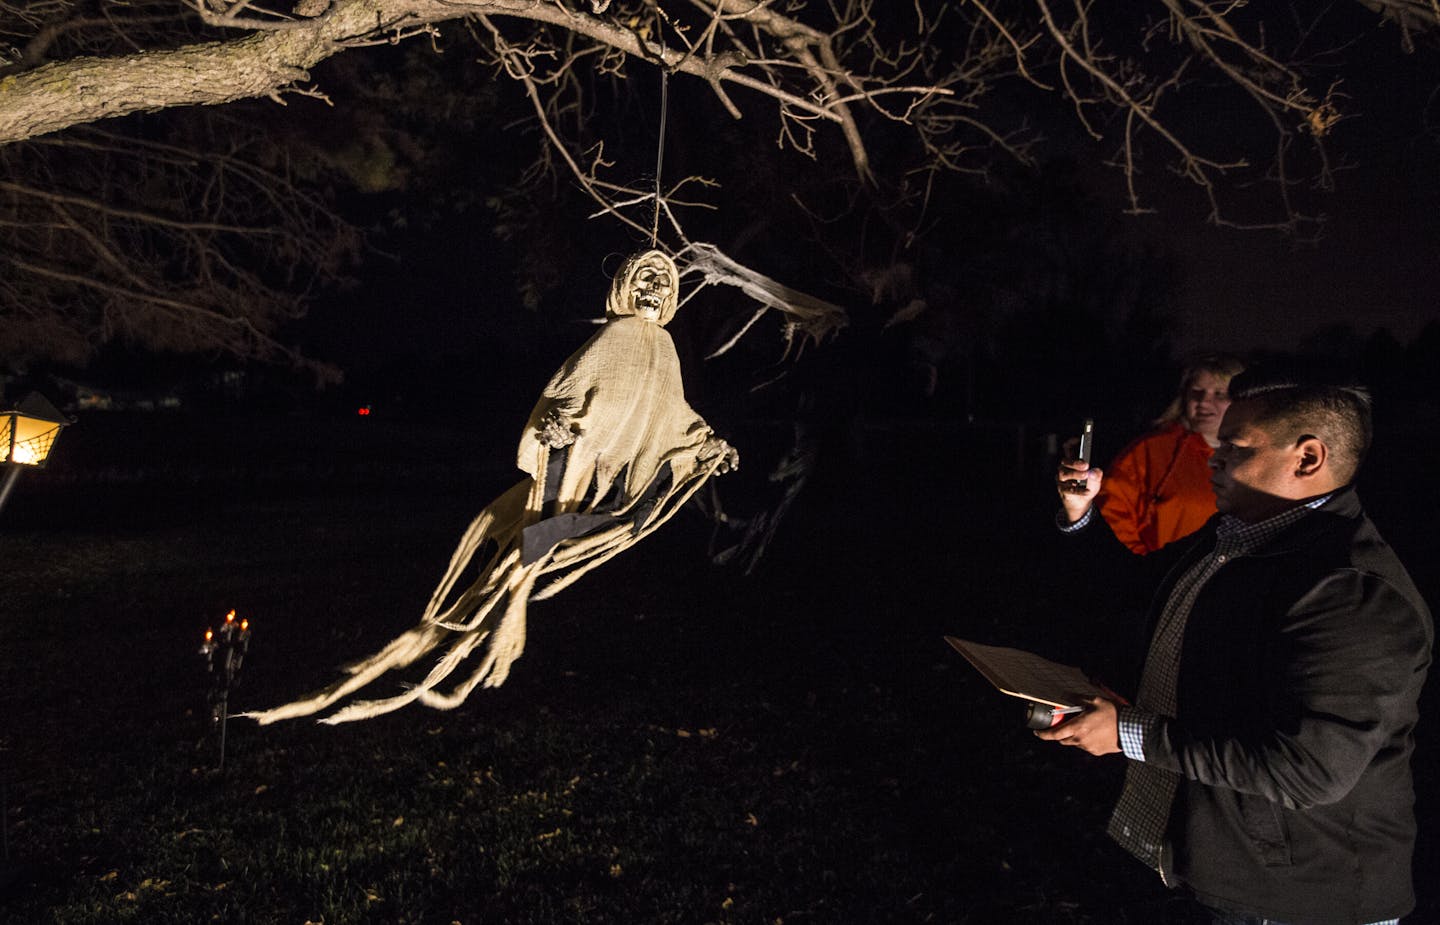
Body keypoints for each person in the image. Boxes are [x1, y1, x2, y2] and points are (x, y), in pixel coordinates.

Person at [1041, 369, 1433, 925]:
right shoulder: (1239, 537)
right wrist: (1082, 515)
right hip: (1235, 869)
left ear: (1307, 458)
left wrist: (1128, 732)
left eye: (1234, 447)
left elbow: (1309, 770)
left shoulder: (1351, 591)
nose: (1213, 458)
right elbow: (1134, 589)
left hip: (1304, 899)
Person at [1085, 354, 1247, 554]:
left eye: (1220, 394)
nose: (1204, 401)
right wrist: (1143, 566)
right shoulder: (1151, 451)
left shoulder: (1256, 456)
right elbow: (1111, 512)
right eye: (1197, 391)